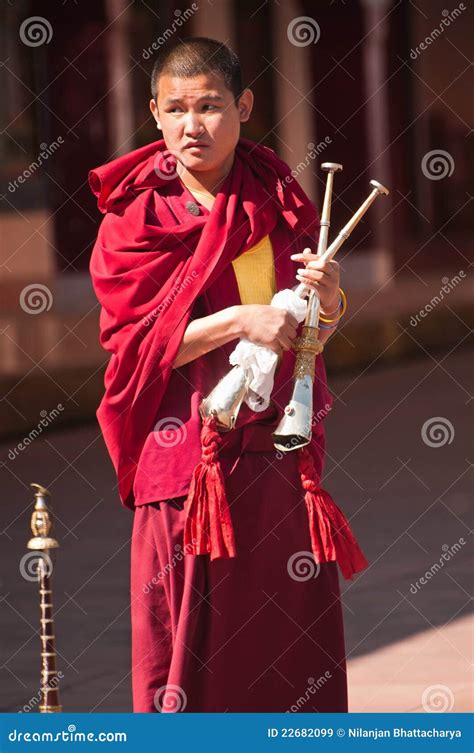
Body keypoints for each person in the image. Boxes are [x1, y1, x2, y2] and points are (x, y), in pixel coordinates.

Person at [89, 36, 368, 714]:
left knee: (283, 658)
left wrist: (328, 299)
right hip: (185, 466)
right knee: (183, 662)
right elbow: (135, 348)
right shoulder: (136, 222)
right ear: (154, 114)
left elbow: (308, 335)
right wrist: (241, 321)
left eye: (211, 106)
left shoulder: (273, 198)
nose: (193, 125)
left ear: (243, 107)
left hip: (276, 463)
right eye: (177, 108)